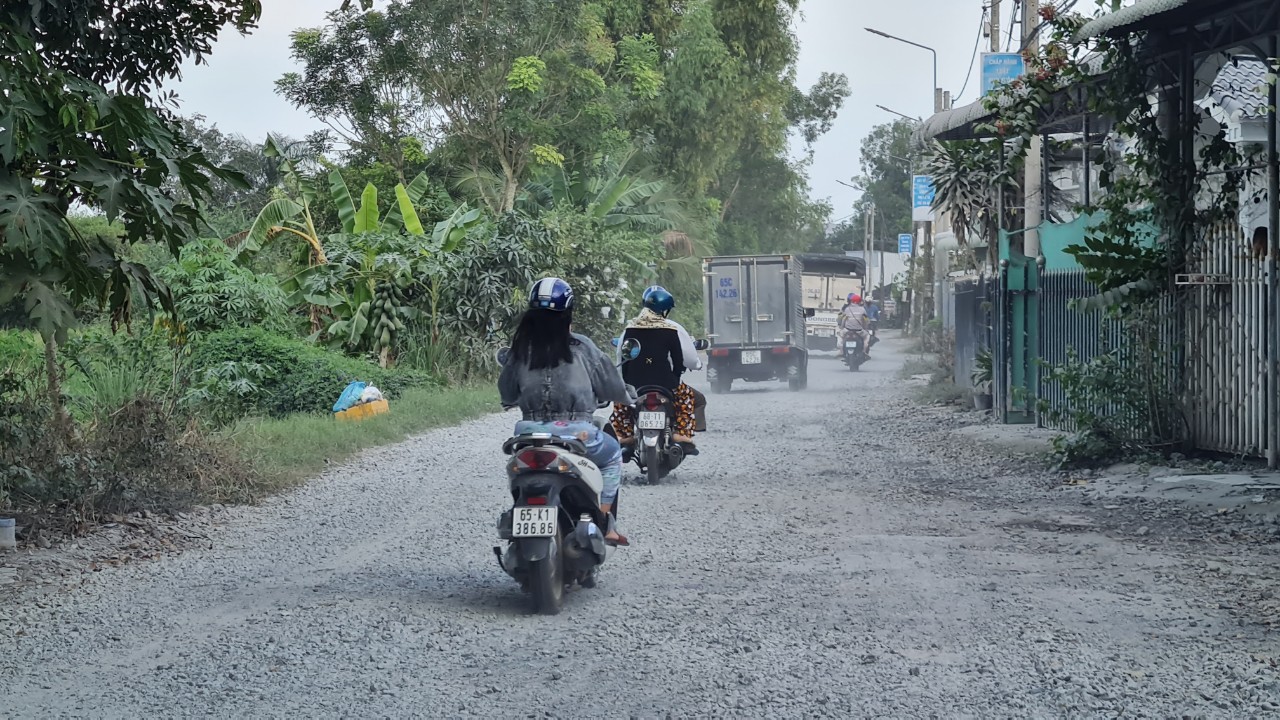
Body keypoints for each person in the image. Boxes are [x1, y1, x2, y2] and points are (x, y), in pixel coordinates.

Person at [499, 277, 633, 546]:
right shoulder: (582, 347)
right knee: (612, 455)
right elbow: (611, 386)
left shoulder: (520, 350)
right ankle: (605, 523)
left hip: (527, 435)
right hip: (576, 434)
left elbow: (507, 393)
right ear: (567, 314)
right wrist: (626, 396)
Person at [611, 285, 700, 452]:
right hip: (665, 382)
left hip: (636, 384)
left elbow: (625, 358)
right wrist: (675, 379)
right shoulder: (670, 330)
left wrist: (626, 381)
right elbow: (678, 361)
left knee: (621, 402)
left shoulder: (630, 328)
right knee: (686, 397)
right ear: (663, 310)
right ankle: (682, 434)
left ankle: (625, 435)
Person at [838, 293, 871, 357]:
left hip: (848, 330)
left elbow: (843, 319)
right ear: (859, 302)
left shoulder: (847, 309)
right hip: (859, 331)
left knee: (839, 335)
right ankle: (864, 352)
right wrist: (866, 327)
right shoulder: (862, 309)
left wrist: (841, 327)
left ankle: (841, 351)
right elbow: (866, 321)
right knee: (867, 337)